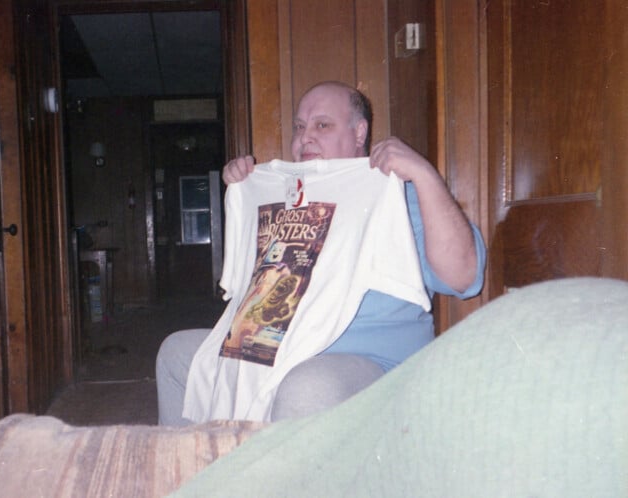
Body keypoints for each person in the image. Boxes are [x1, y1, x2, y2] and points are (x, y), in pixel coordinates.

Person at [156, 81, 486, 425]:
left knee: (306, 387)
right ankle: (195, 472)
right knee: (177, 354)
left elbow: (466, 277)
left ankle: (274, 479)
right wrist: (245, 191)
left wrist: (424, 175)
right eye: (299, 127)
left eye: (322, 125)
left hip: (367, 359)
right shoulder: (283, 197)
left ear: (360, 132)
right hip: (274, 350)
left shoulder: (399, 195)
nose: (305, 137)